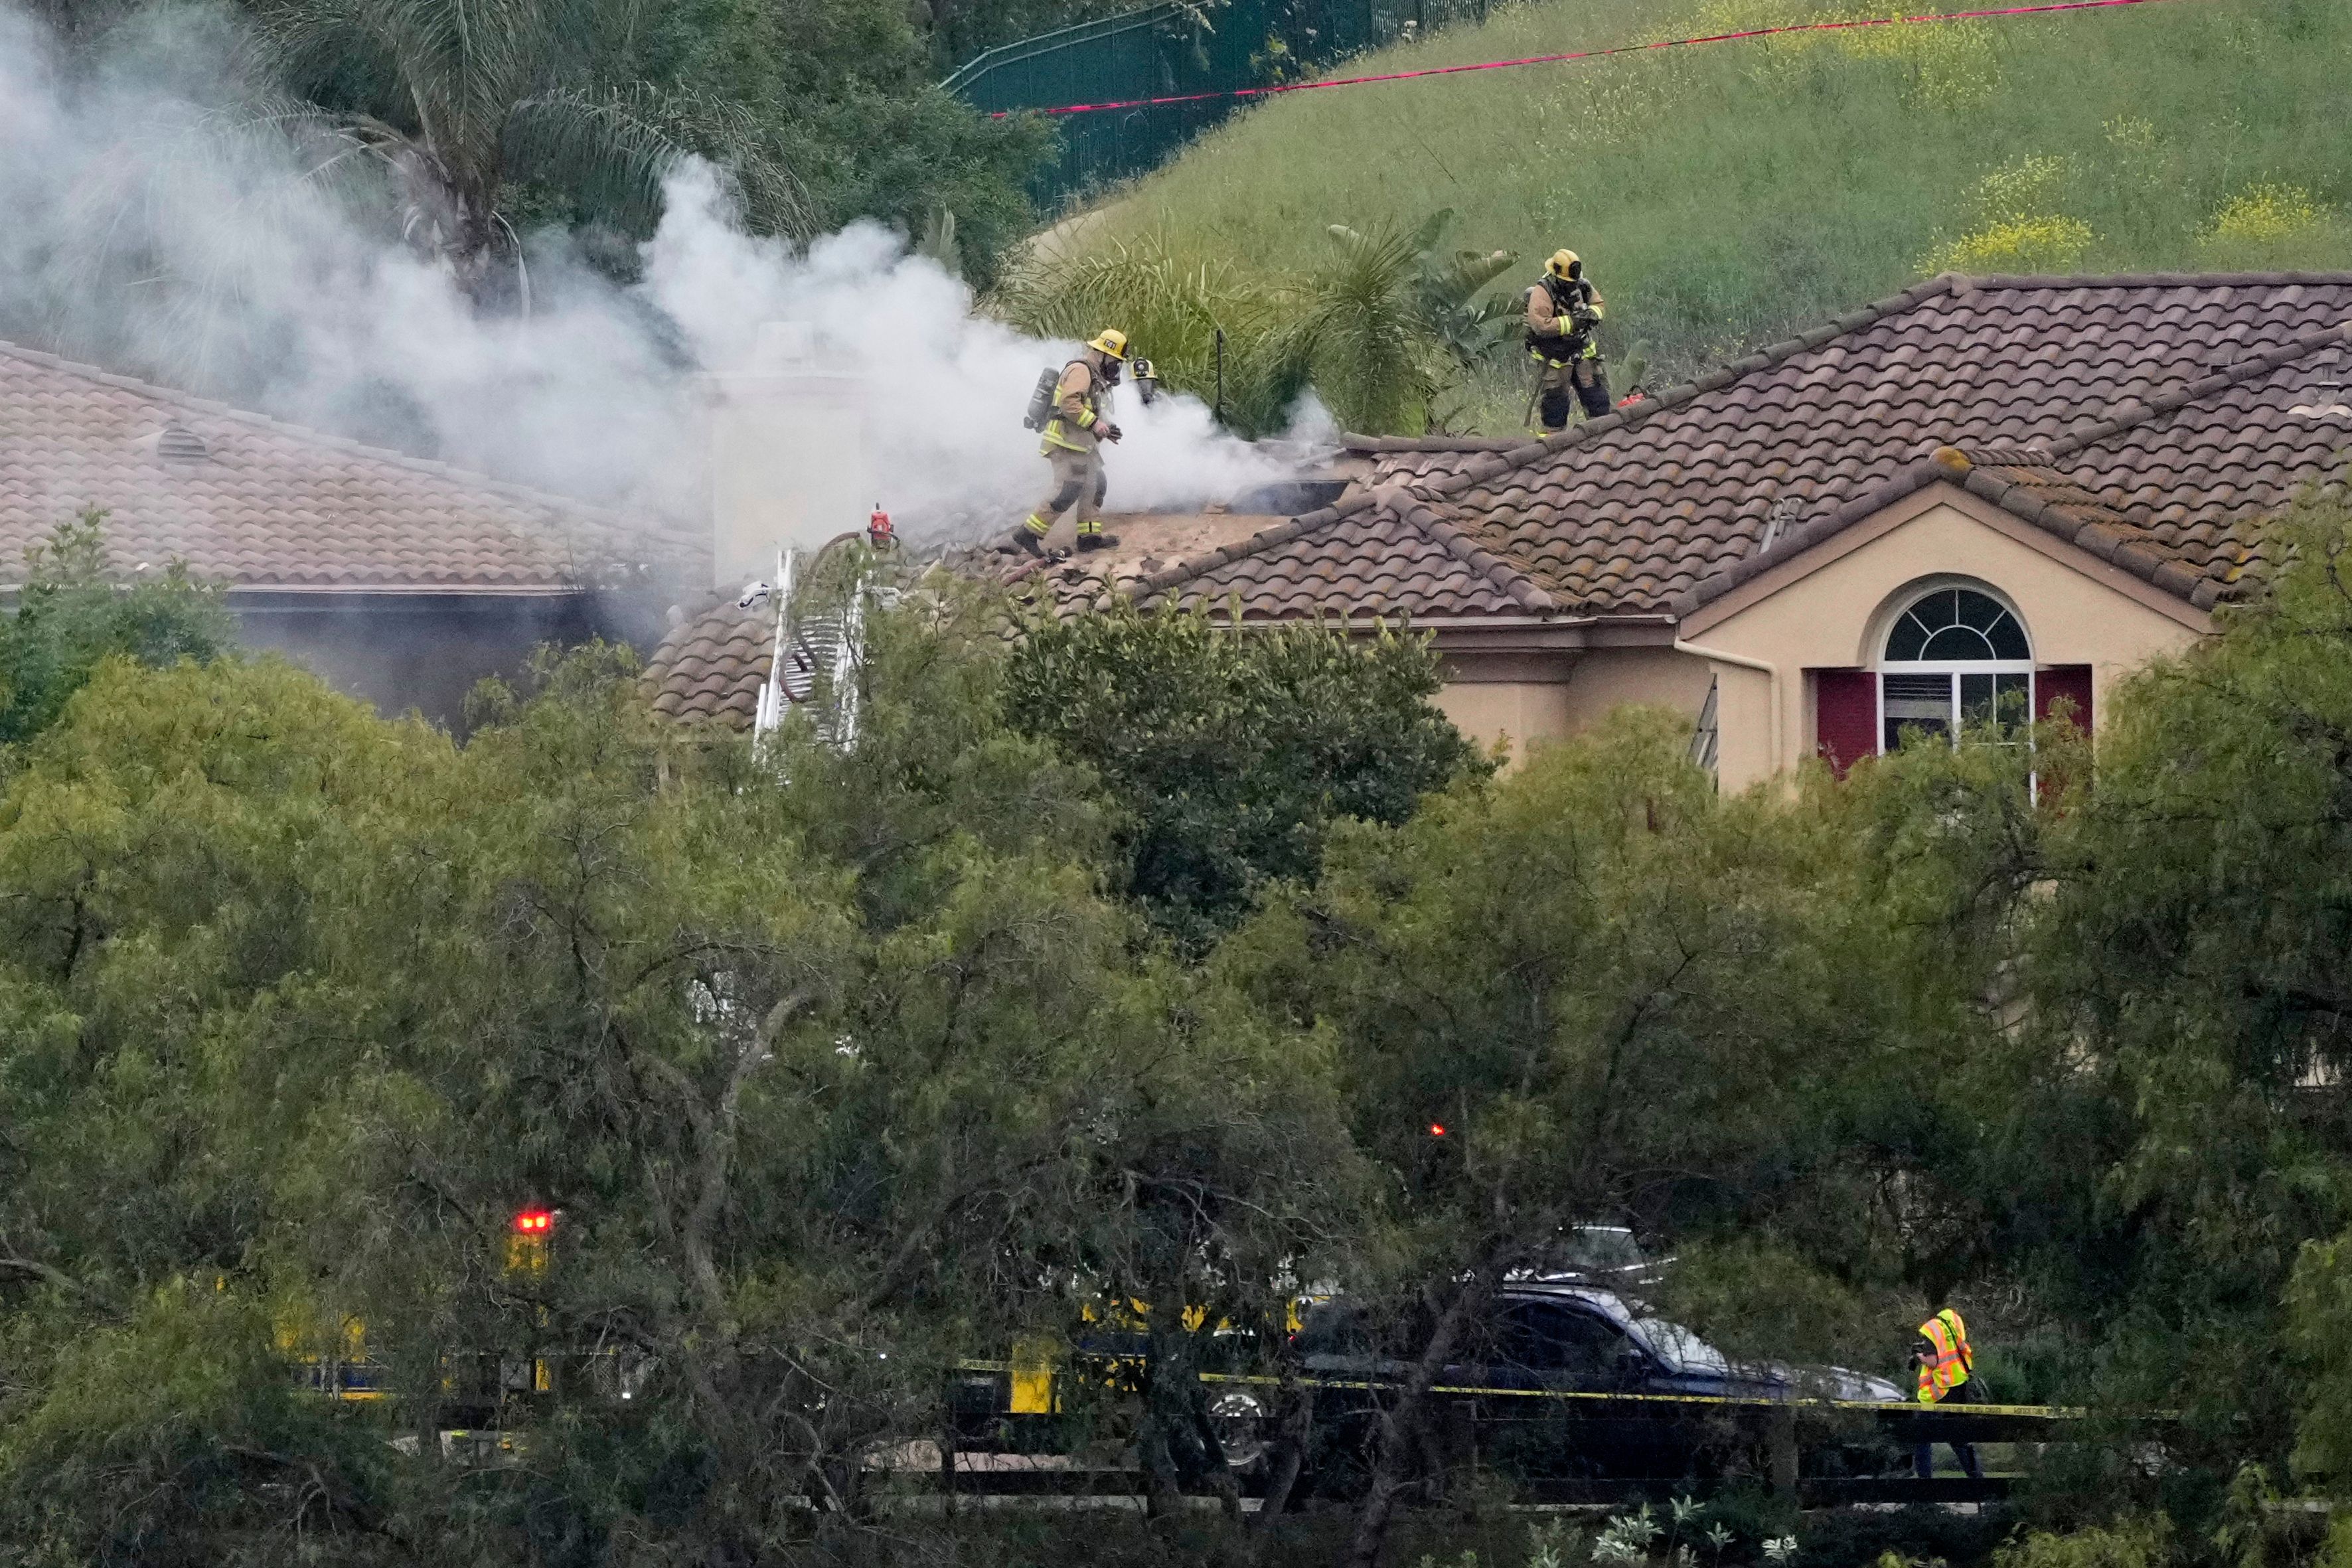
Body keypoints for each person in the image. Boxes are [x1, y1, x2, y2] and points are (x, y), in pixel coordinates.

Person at [1017, 329, 1129, 558]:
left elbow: (1089, 409)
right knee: (1067, 490)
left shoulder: (1094, 376)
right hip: (1066, 445)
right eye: (1115, 361)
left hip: (1081, 446)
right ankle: (1028, 534)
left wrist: (1106, 430)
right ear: (1103, 354)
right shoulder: (1081, 370)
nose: (1116, 367)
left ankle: (1089, 538)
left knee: (1096, 484)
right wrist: (1095, 424)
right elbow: (1069, 403)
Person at [1524, 250, 1610, 433]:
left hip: (1582, 353)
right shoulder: (1543, 292)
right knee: (1556, 406)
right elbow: (1541, 325)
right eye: (1567, 282)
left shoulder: (1583, 286)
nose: (1571, 285)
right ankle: (1552, 448)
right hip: (1555, 358)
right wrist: (1572, 322)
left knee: (1597, 400)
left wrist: (1590, 315)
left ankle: (1603, 439)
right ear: (1556, 274)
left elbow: (1599, 306)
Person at [1910, 1305, 1984, 1480]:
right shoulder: (1956, 1325)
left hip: (1937, 1391)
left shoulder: (1933, 1329)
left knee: (1922, 1438)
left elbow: (1933, 1361)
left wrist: (1918, 1357)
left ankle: (1924, 1489)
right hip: (1959, 1386)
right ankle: (1979, 1484)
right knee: (1960, 1440)